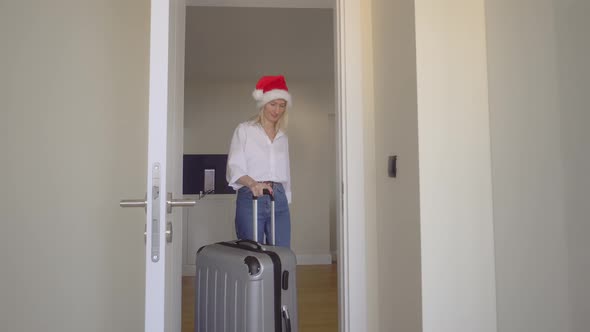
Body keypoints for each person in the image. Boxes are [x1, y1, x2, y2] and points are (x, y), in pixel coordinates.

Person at [226, 75, 293, 248]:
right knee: (252, 252)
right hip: (251, 196)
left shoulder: (282, 137)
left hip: (277, 197)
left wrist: (285, 198)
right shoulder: (245, 130)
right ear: (263, 103)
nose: (277, 110)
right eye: (273, 104)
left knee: (281, 251)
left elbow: (286, 172)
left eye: (282, 105)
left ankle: (277, 277)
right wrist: (253, 184)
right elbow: (235, 167)